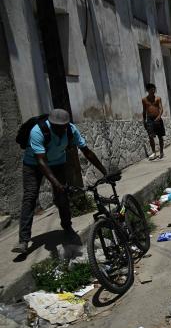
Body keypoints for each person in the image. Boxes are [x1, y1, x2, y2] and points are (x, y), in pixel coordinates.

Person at [13, 108, 108, 255]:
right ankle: (23, 240)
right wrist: (57, 184)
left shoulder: (71, 130)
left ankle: (67, 226)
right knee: (30, 197)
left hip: (57, 163)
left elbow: (86, 151)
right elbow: (41, 162)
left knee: (62, 196)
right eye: (57, 127)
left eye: (63, 127)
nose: (60, 130)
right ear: (51, 124)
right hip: (33, 164)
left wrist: (105, 172)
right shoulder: (38, 131)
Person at [142, 83, 165, 160]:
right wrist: (144, 120)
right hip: (149, 119)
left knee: (160, 136)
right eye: (151, 89)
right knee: (151, 136)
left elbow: (161, 108)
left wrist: (159, 117)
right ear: (148, 90)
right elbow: (144, 110)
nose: (153, 90)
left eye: (154, 89)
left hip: (157, 118)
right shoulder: (144, 100)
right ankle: (154, 153)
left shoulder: (158, 98)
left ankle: (161, 152)